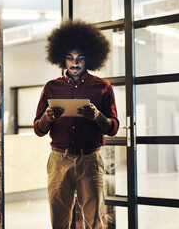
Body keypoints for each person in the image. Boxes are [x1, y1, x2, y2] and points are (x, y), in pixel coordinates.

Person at [33, 19, 119, 229]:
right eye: (70, 58)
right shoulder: (51, 87)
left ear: (88, 59)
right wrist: (48, 117)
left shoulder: (102, 87)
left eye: (80, 58)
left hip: (90, 160)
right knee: (58, 220)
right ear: (63, 59)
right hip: (58, 160)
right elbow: (38, 129)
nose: (75, 63)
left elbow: (113, 127)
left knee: (95, 220)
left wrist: (97, 115)